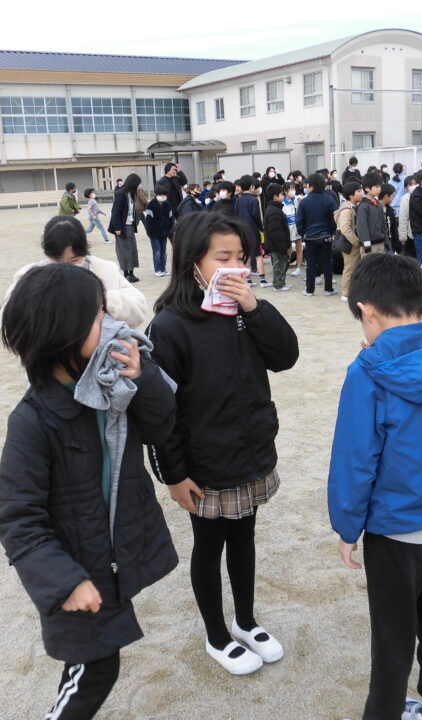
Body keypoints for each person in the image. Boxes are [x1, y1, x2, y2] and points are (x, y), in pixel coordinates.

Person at [0, 262, 178, 717]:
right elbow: (18, 518)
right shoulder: (33, 420)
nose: (112, 325)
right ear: (62, 334)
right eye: (99, 316)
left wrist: (143, 377)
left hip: (109, 553)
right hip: (76, 564)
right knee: (94, 670)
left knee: (90, 665)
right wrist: (65, 582)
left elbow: (161, 428)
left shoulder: (111, 385)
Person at [147, 212, 299, 676]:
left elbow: (286, 357)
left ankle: (246, 621)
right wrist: (173, 475)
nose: (235, 267)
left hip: (250, 451)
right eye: (223, 257)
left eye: (241, 257)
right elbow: (158, 413)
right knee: (209, 546)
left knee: (245, 538)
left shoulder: (246, 312)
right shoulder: (169, 326)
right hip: (204, 463)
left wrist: (255, 307)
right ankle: (217, 635)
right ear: (193, 262)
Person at [328, 251, 422, 720]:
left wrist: (347, 526)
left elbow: (355, 459)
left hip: (397, 530)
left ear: (366, 311)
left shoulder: (367, 373)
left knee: (393, 635)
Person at [1, 216, 148, 329]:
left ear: (85, 249)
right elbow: (6, 321)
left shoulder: (104, 270)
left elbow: (139, 309)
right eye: (58, 262)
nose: (66, 269)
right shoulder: (29, 277)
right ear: (47, 254)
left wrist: (104, 299)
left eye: (74, 260)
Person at [296, 173, 339, 297]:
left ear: (311, 186)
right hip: (326, 236)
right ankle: (328, 289)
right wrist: (332, 231)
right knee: (327, 262)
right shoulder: (329, 199)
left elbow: (299, 221)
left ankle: (309, 290)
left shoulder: (304, 202)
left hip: (310, 237)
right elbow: (336, 217)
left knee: (311, 263)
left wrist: (304, 233)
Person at [234, 175, 267, 287]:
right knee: (258, 255)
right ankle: (263, 280)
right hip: (253, 231)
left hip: (242, 232)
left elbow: (236, 216)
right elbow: (256, 216)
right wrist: (261, 228)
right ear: (252, 186)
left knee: (246, 256)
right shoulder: (253, 200)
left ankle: (248, 280)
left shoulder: (238, 200)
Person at [109, 174, 142, 283]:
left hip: (130, 226)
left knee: (132, 250)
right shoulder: (121, 194)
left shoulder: (131, 194)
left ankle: (131, 273)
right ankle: (126, 274)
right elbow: (115, 212)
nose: (138, 186)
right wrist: (117, 227)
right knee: (125, 250)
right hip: (122, 227)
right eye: (137, 184)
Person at [336, 181, 364, 302]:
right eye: (358, 191)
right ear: (351, 195)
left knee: (354, 268)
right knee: (349, 268)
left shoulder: (355, 206)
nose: (361, 193)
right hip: (350, 244)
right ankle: (345, 293)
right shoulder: (346, 209)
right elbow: (345, 228)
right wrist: (356, 242)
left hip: (353, 243)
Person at [263, 183, 292, 292]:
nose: (283, 196)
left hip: (279, 244)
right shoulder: (273, 211)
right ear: (275, 197)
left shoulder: (276, 208)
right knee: (279, 264)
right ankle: (278, 285)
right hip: (277, 245)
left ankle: (281, 283)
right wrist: (282, 246)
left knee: (283, 263)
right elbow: (275, 232)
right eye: (281, 194)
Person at [144, 184, 174, 277]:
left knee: (163, 252)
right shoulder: (151, 205)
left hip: (165, 233)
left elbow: (171, 219)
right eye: (161, 195)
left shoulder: (167, 204)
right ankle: (158, 269)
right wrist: (150, 233)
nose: (163, 197)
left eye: (164, 195)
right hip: (154, 234)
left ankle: (163, 269)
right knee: (157, 251)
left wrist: (170, 231)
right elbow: (148, 221)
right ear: (156, 195)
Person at [356, 174, 388, 258]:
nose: (379, 189)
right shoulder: (363, 206)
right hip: (370, 246)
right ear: (367, 188)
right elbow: (362, 228)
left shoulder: (379, 204)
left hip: (381, 243)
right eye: (376, 186)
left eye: (380, 186)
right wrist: (367, 246)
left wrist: (386, 241)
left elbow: (384, 224)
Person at [282, 182, 303, 276]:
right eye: (291, 189)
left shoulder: (297, 200)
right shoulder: (282, 202)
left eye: (294, 188)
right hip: (287, 228)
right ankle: (286, 267)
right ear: (285, 191)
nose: (293, 191)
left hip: (297, 227)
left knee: (299, 247)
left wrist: (300, 201)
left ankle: (298, 268)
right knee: (288, 249)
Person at [397, 175, 419, 255]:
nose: (414, 186)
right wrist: (403, 237)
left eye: (415, 184)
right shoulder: (406, 198)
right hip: (410, 234)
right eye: (411, 184)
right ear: (406, 188)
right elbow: (403, 218)